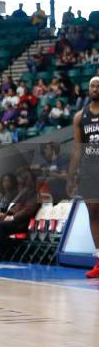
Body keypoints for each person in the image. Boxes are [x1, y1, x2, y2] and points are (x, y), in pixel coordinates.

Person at [67, 77, 99, 278]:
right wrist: (71, 177)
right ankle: (98, 260)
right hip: (89, 169)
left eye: (98, 86)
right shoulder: (80, 116)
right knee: (94, 214)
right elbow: (77, 150)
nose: (95, 89)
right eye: (93, 86)